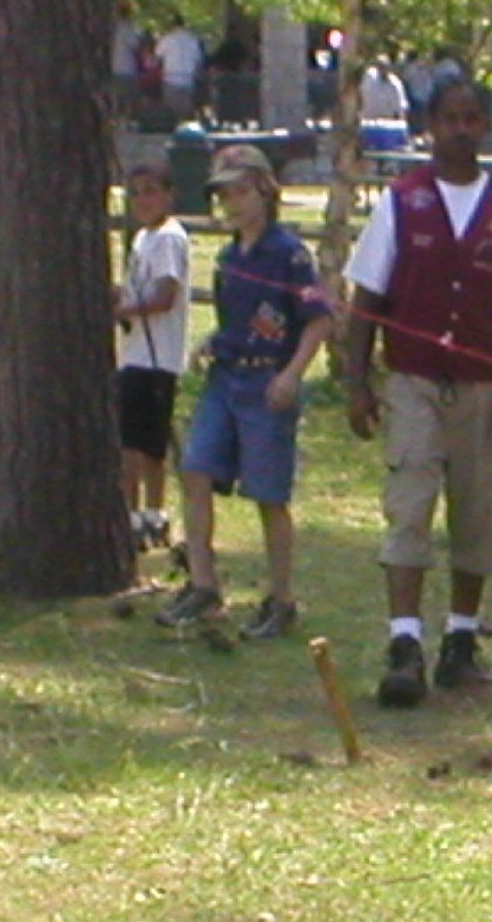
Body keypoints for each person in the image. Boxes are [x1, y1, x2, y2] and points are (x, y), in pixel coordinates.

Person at [344, 77, 492, 707]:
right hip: (413, 382)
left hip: (483, 386)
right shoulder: (401, 203)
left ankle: (461, 641)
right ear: (430, 126)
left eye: (473, 118)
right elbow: (366, 301)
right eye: (450, 118)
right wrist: (358, 381)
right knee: (410, 503)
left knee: (479, 507)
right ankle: (404, 643)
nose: (462, 129)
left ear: (484, 127)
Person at [156, 144, 332, 639]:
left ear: (265, 192)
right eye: (224, 195)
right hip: (226, 377)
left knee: (268, 493)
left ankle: (281, 598)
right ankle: (204, 584)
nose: (233, 204)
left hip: (268, 382)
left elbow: (318, 320)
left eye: (242, 192)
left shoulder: (289, 254)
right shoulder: (231, 256)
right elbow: (239, 319)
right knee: (195, 469)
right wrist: (214, 341)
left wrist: (292, 374)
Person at [113, 162, 192, 551]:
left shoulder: (168, 239)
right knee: (137, 441)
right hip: (135, 355)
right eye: (135, 193)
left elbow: (164, 295)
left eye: (150, 191)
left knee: (142, 446)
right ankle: (141, 515)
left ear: (168, 195)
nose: (142, 200)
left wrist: (121, 312)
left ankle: (146, 515)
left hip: (156, 359)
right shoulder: (143, 238)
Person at [156, 14, 204, 122]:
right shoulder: (192, 40)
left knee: (171, 108)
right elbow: (198, 60)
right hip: (188, 78)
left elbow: (157, 56)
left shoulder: (167, 39)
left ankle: (173, 126)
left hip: (171, 77)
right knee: (186, 108)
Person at [111, 2, 143, 126]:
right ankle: (126, 121)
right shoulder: (128, 28)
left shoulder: (114, 27)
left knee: (117, 96)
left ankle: (115, 120)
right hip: (127, 66)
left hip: (114, 65)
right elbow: (134, 45)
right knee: (128, 96)